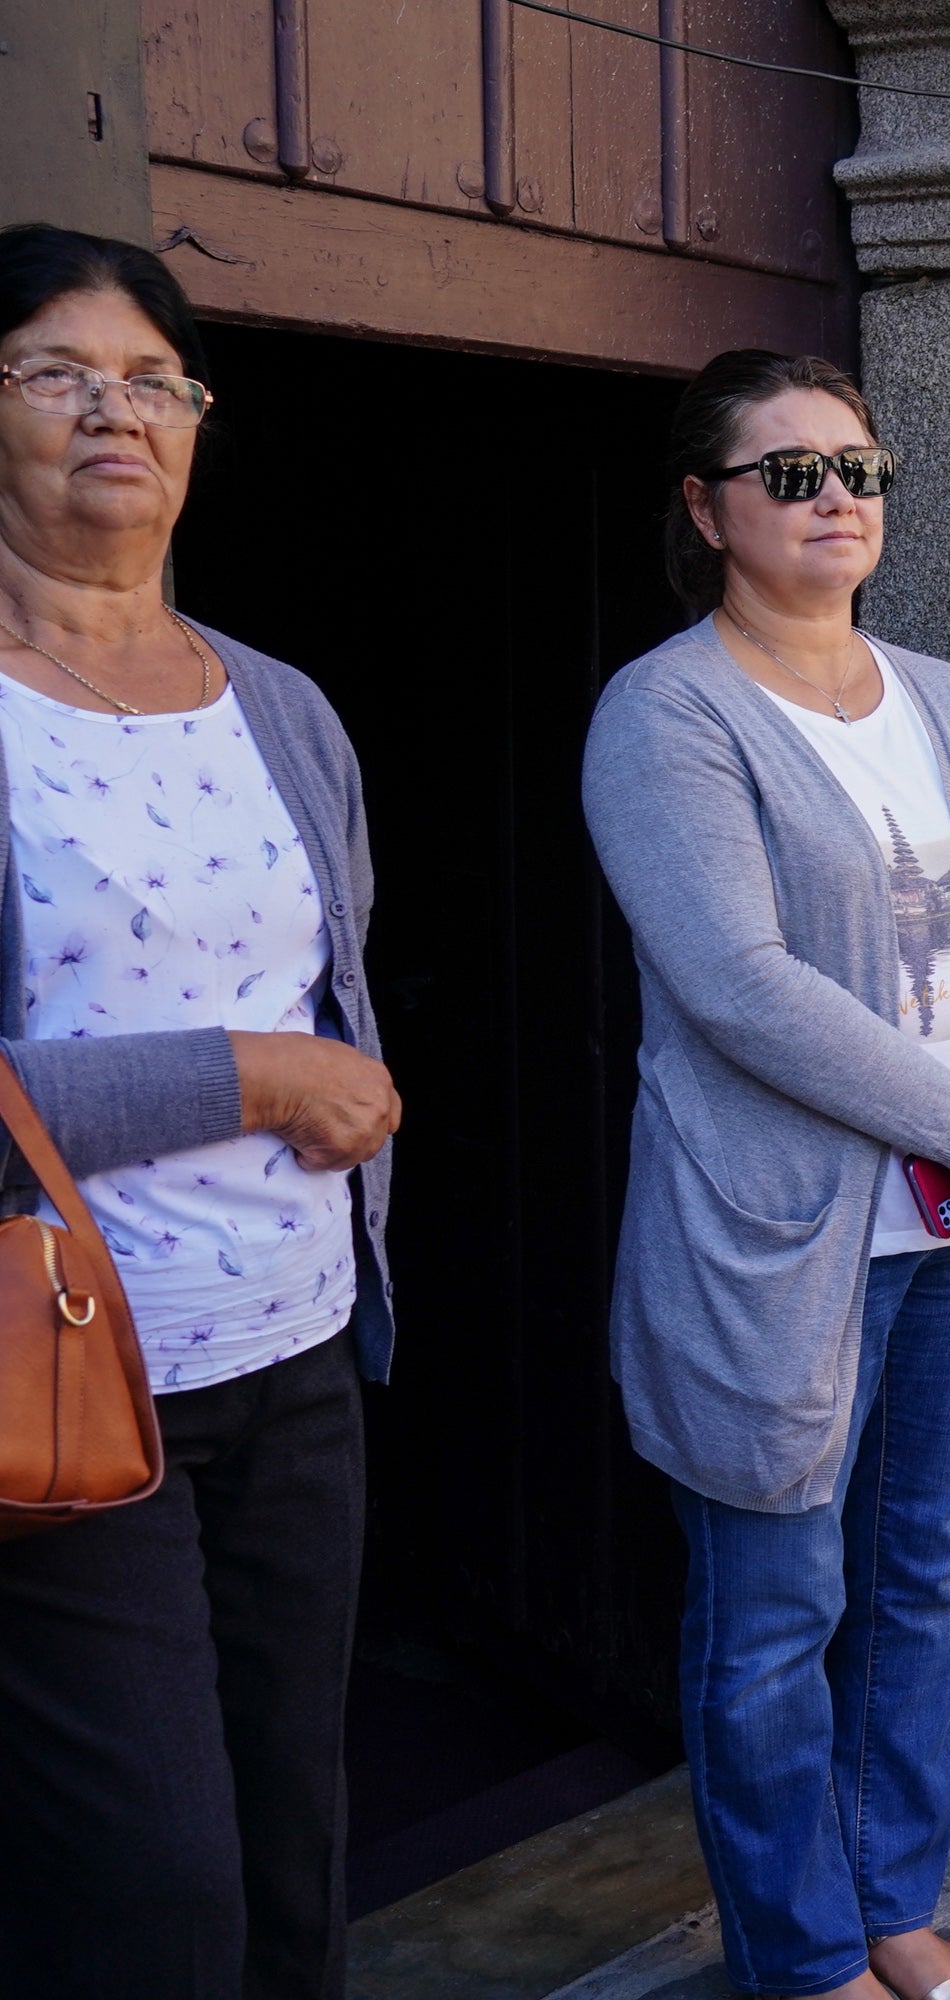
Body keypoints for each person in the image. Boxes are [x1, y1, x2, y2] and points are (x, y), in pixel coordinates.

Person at [581, 349, 950, 2000]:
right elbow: (739, 983)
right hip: (786, 1247)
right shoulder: (669, 711)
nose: (836, 499)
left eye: (859, 468)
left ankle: (892, 1904)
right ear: (705, 506)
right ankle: (804, 1962)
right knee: (772, 1622)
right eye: (790, 471)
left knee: (926, 1586)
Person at [0, 224, 404, 1997]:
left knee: (297, 1839)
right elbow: (276, 1042)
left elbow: (342, 990)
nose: (115, 411)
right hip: (71, 1388)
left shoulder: (286, 709)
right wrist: (251, 1075)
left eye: (154, 381)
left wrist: (347, 1083)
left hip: (297, 1355)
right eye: (56, 373)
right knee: (154, 1892)